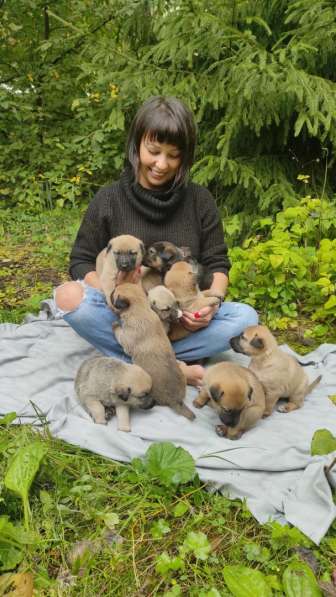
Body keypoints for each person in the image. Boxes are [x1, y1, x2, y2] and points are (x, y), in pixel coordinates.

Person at [55, 96, 258, 386]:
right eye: (153, 151)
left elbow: (217, 262)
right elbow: (81, 261)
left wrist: (210, 306)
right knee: (68, 297)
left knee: (245, 318)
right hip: (128, 314)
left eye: (173, 155)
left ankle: (147, 361)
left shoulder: (200, 200)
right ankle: (172, 368)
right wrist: (115, 298)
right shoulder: (109, 199)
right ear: (136, 144)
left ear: (185, 157)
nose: (161, 164)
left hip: (179, 317)